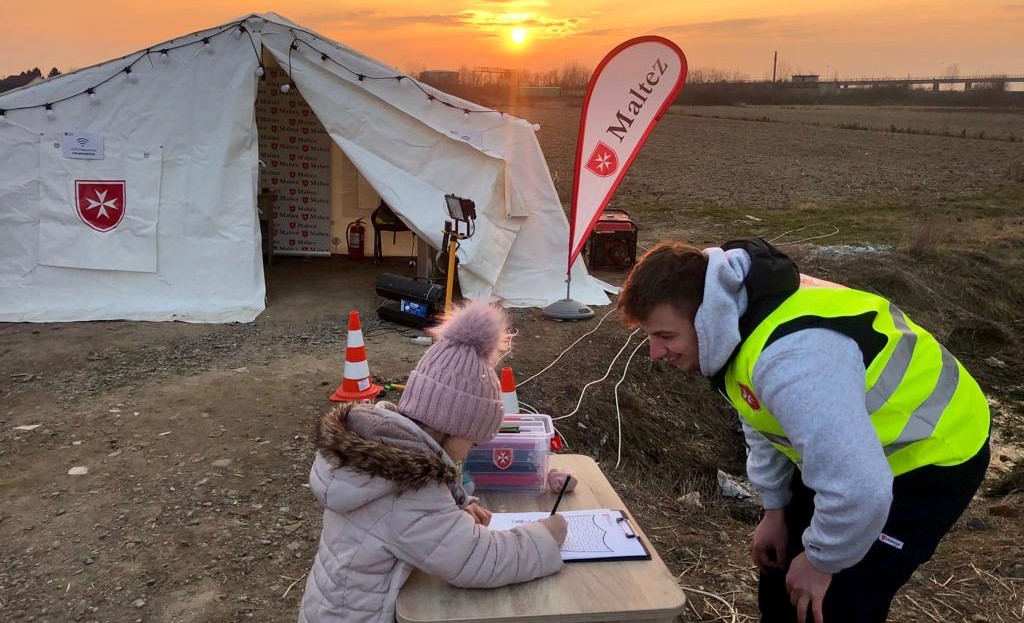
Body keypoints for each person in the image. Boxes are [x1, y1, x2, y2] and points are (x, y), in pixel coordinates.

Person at [617, 237, 990, 623]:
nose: (655, 354)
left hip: (930, 454)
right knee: (780, 579)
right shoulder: (738, 321)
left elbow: (861, 489)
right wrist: (774, 508)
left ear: (706, 318)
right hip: (852, 450)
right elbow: (759, 413)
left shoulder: (793, 362)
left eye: (665, 336)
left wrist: (822, 560)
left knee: (837, 602)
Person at [297, 300, 567, 623]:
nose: (469, 453)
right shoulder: (409, 487)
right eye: (473, 441)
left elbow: (413, 520)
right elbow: (477, 559)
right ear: (453, 427)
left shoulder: (385, 451)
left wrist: (455, 505)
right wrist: (545, 537)